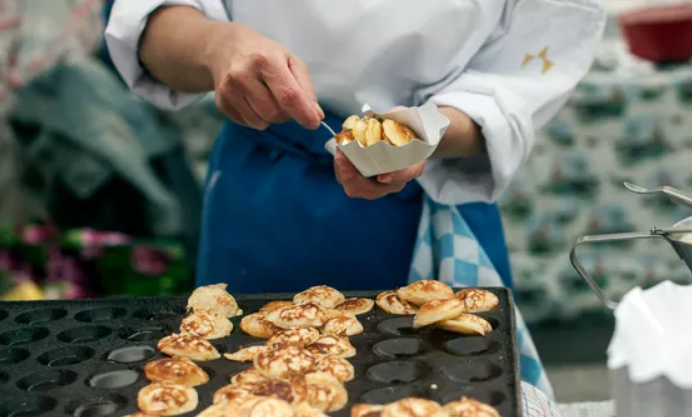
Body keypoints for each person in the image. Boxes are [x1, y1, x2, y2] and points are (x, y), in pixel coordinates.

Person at [104, 0, 606, 294]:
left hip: (431, 200)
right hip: (265, 200)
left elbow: (522, 73)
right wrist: (221, 47)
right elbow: (148, 17)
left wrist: (419, 133)